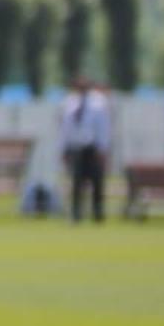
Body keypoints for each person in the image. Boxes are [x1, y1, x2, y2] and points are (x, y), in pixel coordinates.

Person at [60, 75, 110, 223]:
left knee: (97, 182)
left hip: (92, 147)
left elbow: (103, 128)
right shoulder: (70, 102)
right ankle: (76, 214)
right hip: (76, 147)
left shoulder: (98, 103)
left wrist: (103, 148)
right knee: (76, 182)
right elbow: (65, 128)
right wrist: (63, 148)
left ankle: (97, 213)